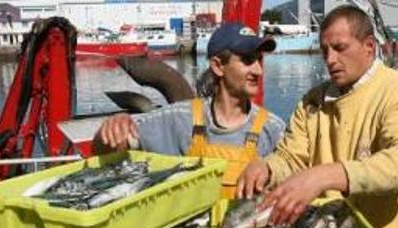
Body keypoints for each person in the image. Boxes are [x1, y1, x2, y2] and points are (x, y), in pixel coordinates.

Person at [236, 5, 398, 228]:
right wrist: (268, 167)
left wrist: (325, 175)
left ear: (369, 47)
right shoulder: (312, 101)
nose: (330, 59)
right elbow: (291, 158)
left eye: (340, 48)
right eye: (325, 50)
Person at [94, 22, 286, 198]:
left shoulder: (273, 129)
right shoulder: (178, 119)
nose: (259, 71)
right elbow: (104, 149)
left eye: (259, 60)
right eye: (248, 60)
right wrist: (112, 128)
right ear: (218, 66)